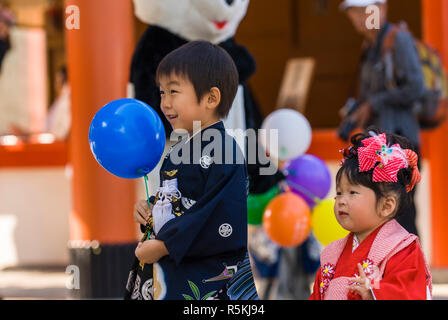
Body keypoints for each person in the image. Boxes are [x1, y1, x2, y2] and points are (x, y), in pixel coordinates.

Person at [125, 41, 258, 300]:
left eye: (174, 92)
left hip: (206, 275)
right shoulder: (178, 151)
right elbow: (179, 200)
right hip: (173, 266)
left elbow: (218, 215)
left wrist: (165, 245)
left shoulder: (224, 150)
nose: (164, 103)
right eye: (162, 93)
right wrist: (151, 208)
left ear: (211, 98)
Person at [309, 128, 432, 300]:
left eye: (352, 193)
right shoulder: (332, 254)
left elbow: (410, 293)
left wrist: (374, 292)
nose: (341, 200)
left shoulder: (402, 248)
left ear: (386, 205)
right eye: (339, 193)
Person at [339, 0, 425, 236]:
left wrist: (374, 103)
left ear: (381, 9)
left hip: (402, 144)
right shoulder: (369, 47)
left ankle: (411, 269)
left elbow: (417, 87)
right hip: (379, 146)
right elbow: (369, 94)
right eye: (353, 12)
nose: (358, 18)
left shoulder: (399, 40)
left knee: (402, 212)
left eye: (363, 10)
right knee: (382, 213)